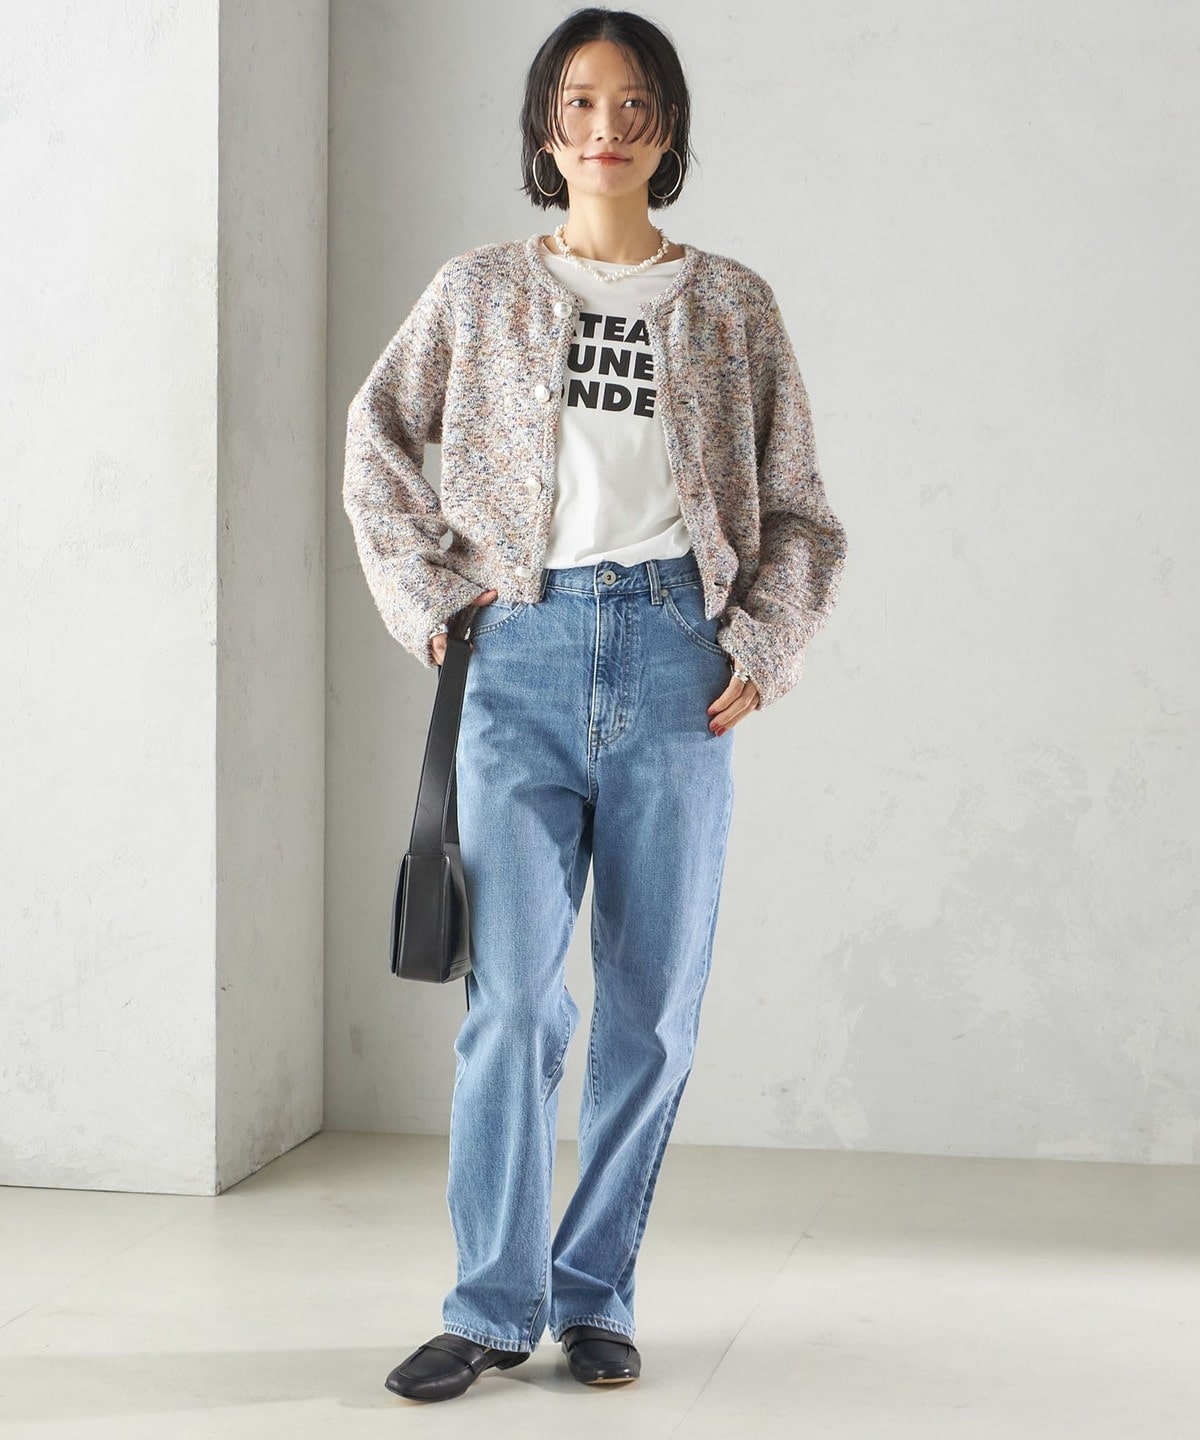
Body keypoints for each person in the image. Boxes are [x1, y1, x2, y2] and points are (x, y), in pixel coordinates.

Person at [342, 5, 847, 1405]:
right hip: (519, 654)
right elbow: (377, 444)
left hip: (679, 663)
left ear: (667, 127)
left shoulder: (732, 305)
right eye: (577, 103)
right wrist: (433, 601)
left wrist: (764, 644)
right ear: (545, 128)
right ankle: (489, 1307)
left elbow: (802, 511)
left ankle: (595, 1295)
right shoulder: (477, 293)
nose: (604, 128)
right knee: (511, 1006)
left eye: (632, 104)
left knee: (651, 1011)